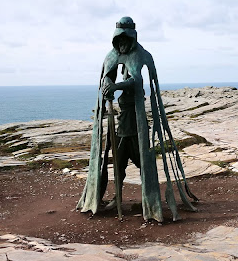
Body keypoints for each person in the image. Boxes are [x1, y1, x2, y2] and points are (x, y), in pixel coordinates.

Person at [77, 16, 197, 222]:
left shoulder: (142, 56)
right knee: (118, 166)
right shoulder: (111, 56)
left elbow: (137, 79)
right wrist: (108, 86)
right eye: (119, 41)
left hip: (137, 125)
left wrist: (116, 86)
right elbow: (107, 76)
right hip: (122, 125)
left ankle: (149, 201)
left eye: (125, 41)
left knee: (144, 165)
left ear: (132, 39)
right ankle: (117, 197)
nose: (122, 45)